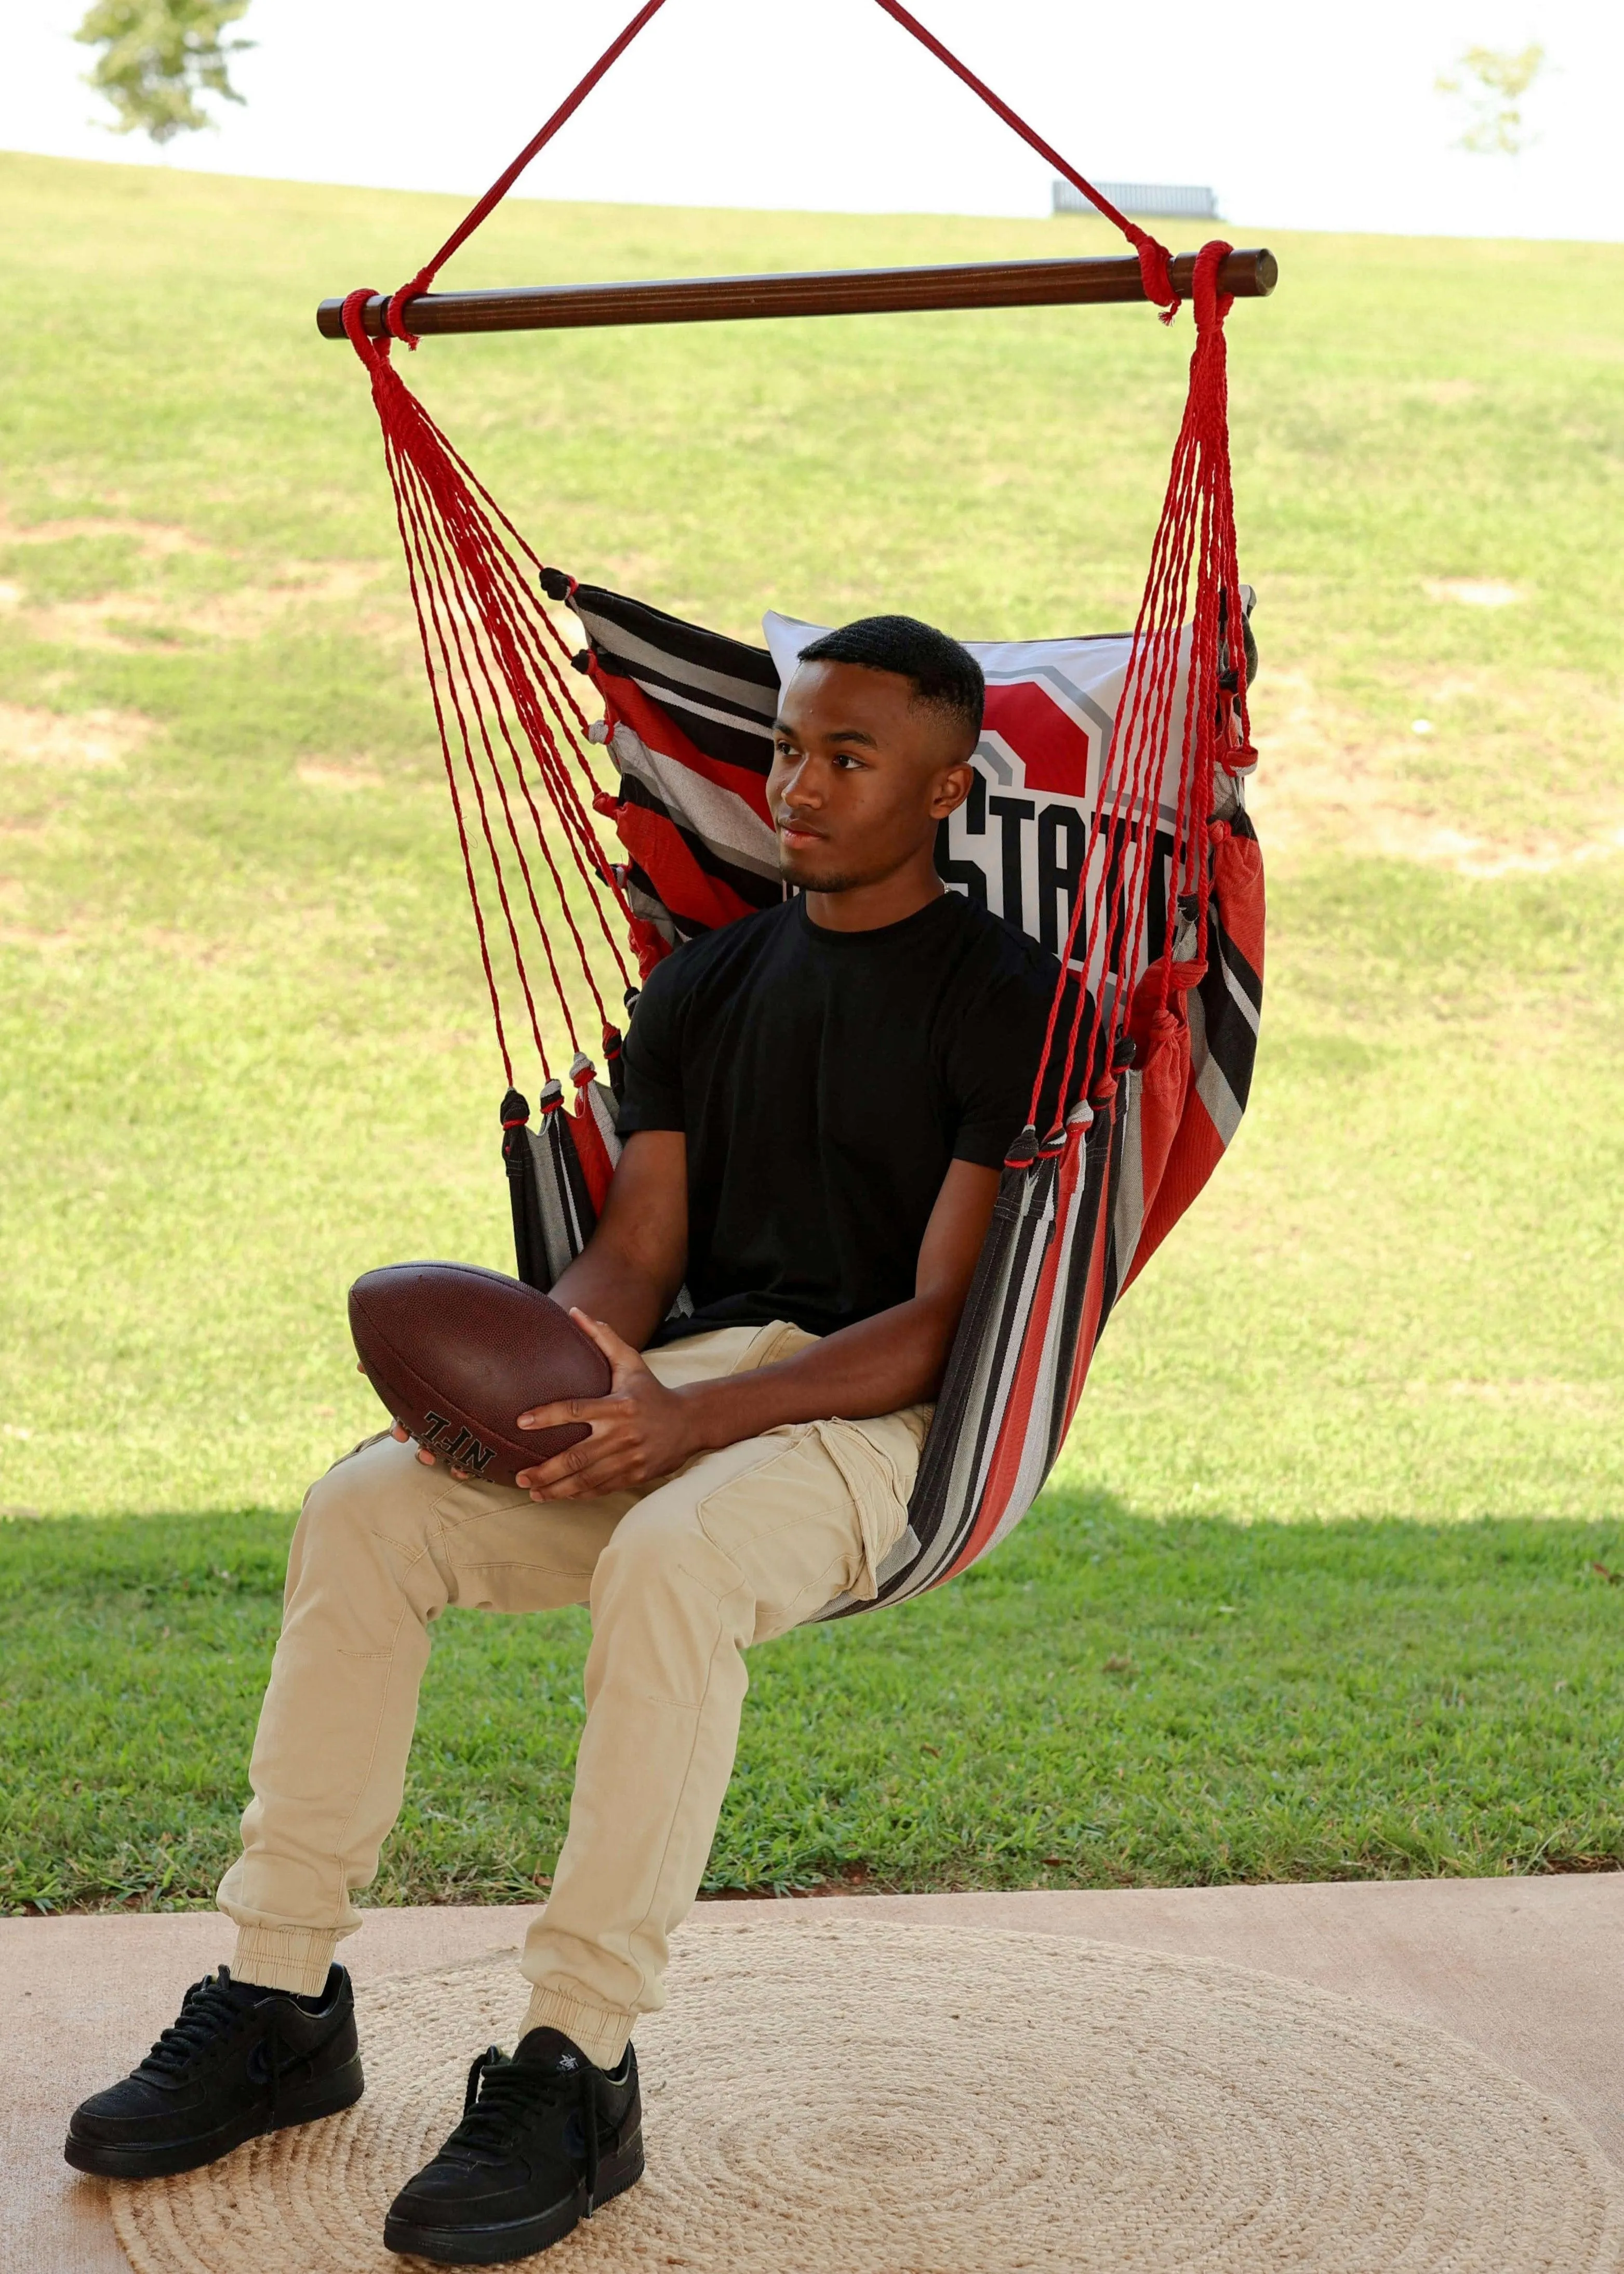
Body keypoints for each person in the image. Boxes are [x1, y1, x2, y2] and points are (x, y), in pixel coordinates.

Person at [64, 615, 1064, 2264]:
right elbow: (638, 1252)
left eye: (846, 758)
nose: (795, 786)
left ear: (950, 788)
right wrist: (577, 1365)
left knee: (670, 1562)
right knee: (367, 1512)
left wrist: (693, 1420)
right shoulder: (700, 981)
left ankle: (570, 2065)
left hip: (876, 1425)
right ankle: (278, 1997)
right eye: (786, 748)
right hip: (681, 1385)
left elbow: (947, 1322)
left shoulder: (1009, 999)